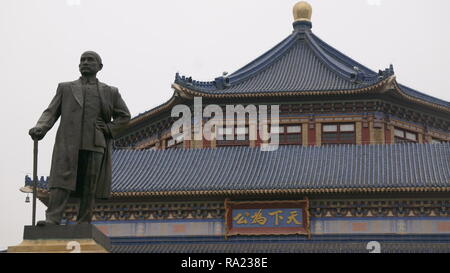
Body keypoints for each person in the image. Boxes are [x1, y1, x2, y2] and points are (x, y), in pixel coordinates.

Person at [29, 51, 131, 226]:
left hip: (95, 143)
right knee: (61, 180)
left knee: (89, 185)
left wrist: (107, 128)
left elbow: (125, 116)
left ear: (100, 67)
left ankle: (84, 221)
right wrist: (41, 128)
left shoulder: (110, 92)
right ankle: (53, 218)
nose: (85, 63)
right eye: (82, 60)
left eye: (90, 60)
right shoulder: (65, 88)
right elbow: (51, 112)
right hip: (68, 143)